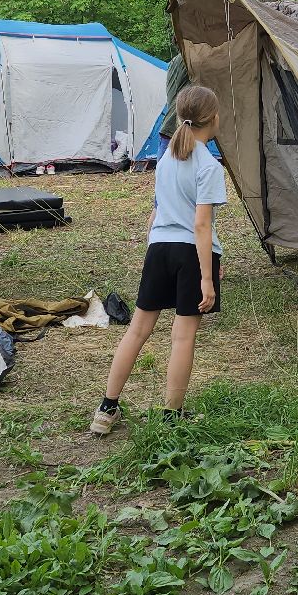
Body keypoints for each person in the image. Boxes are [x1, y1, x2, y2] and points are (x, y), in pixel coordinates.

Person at [92, 84, 225, 433]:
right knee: (183, 337)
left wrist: (154, 253)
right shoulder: (209, 166)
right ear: (213, 118)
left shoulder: (166, 159)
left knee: (137, 331)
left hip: (159, 249)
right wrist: (207, 278)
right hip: (190, 253)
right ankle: (171, 415)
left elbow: (156, 213)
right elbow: (201, 225)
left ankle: (106, 409)